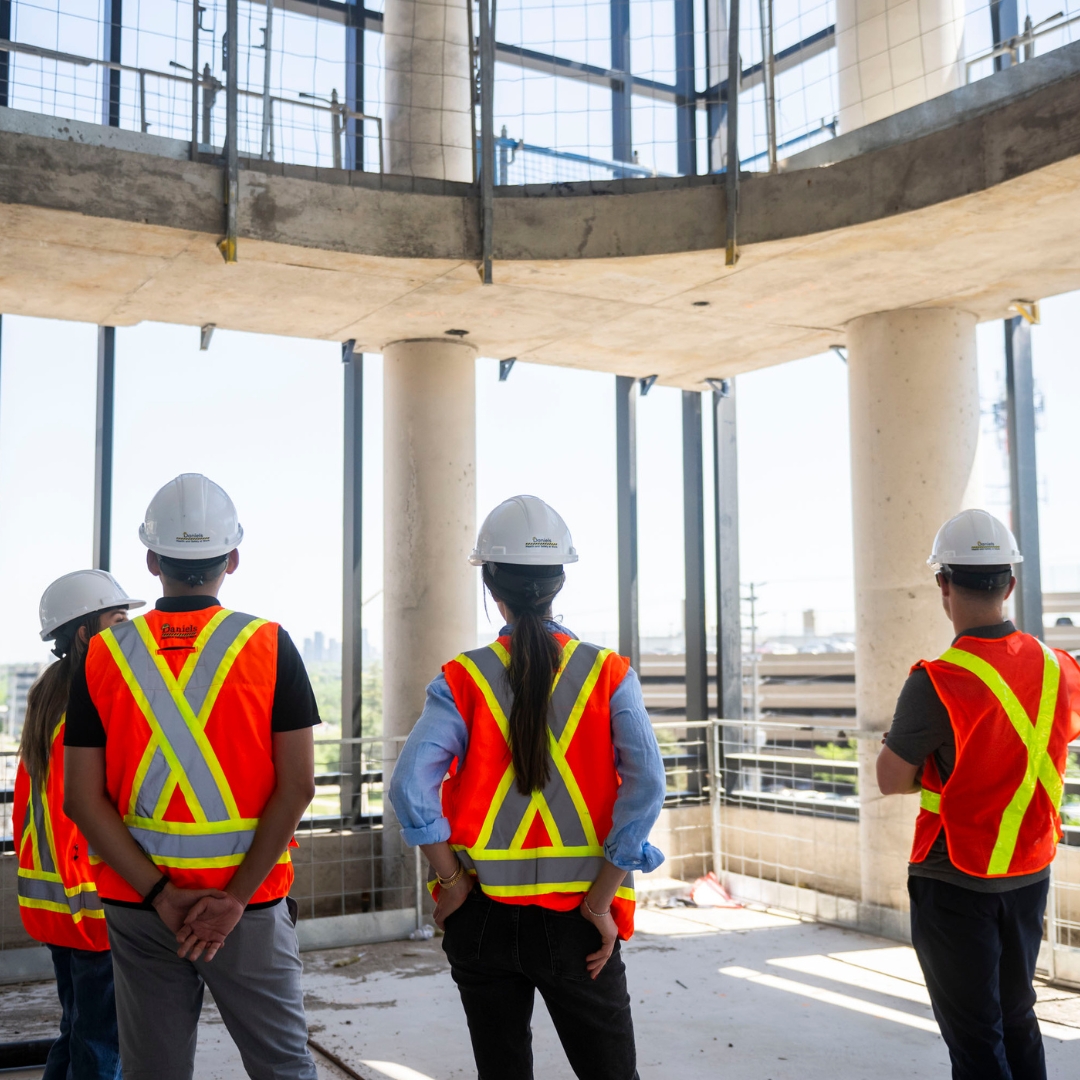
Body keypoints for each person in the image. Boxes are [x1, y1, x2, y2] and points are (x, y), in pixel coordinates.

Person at [388, 494, 666, 1080]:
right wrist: (599, 901)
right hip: (578, 924)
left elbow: (411, 787)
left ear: (491, 584)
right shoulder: (609, 673)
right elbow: (645, 787)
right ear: (559, 581)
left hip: (482, 917)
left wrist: (451, 881)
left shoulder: (463, 678)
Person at [63, 474, 321, 1080]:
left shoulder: (104, 654)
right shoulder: (270, 645)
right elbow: (299, 785)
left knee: (153, 1072)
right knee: (284, 1068)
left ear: (152, 561)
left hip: (141, 906)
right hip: (249, 907)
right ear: (232, 558)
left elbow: (81, 796)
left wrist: (159, 894)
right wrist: (232, 899)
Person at [876, 508, 1080, 1080]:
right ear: (1010, 583)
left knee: (974, 1035)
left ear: (944, 584)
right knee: (1017, 1014)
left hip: (953, 878)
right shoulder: (1060, 667)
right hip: (1029, 870)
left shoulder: (936, 681)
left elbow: (890, 778)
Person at [14, 570, 144, 1080]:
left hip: (53, 906)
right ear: (89, 632)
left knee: (77, 1032)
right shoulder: (96, 698)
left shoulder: (50, 695)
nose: (128, 630)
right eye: (118, 619)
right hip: (92, 904)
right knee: (101, 1045)